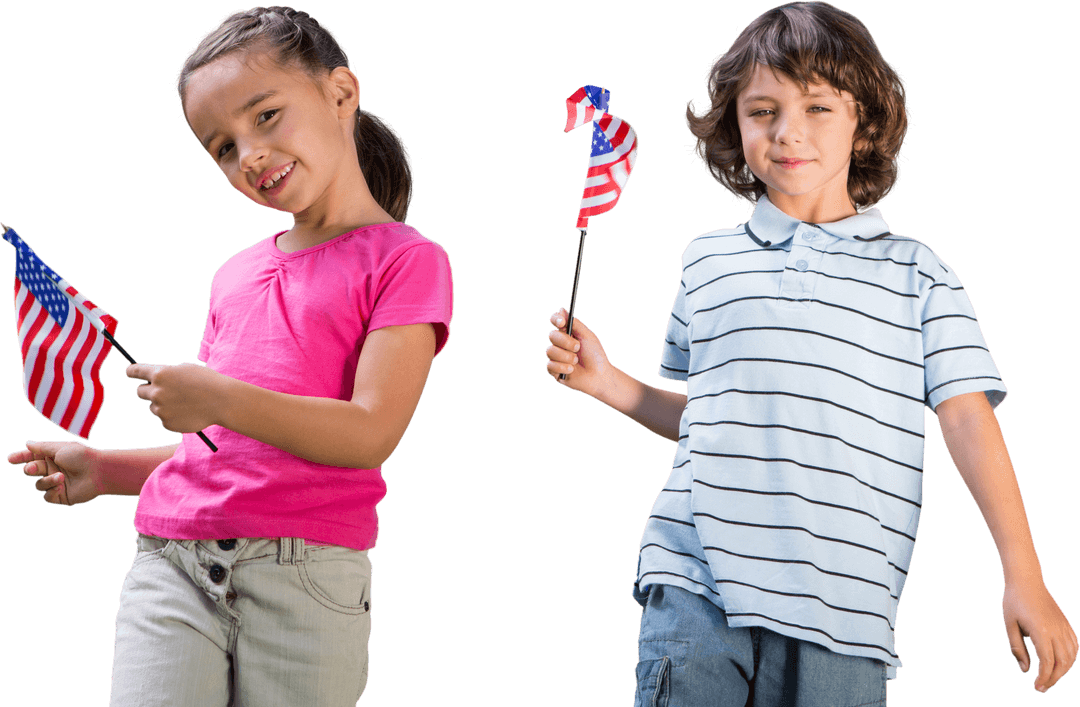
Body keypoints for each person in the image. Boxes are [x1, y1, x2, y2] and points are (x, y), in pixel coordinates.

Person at [544, 2, 1075, 705]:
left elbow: (969, 421)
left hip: (845, 612)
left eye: (819, 107)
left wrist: (1023, 571)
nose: (788, 132)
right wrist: (611, 384)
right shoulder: (707, 260)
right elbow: (713, 415)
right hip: (697, 581)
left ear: (864, 124)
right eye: (762, 110)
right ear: (736, 124)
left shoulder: (920, 275)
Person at [7, 6, 453, 706]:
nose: (249, 154)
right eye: (222, 146)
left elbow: (372, 433)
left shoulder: (407, 260)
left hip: (305, 579)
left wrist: (216, 396)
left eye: (266, 116)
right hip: (171, 562)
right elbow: (223, 449)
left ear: (341, 93)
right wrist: (108, 468)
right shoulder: (233, 273)